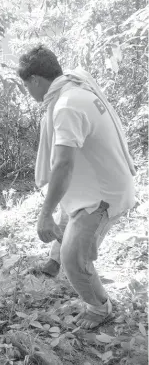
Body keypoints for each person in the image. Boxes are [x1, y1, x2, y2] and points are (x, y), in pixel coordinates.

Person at [18, 45, 136, 329]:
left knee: (74, 257)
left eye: (26, 86)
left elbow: (63, 166)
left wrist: (44, 214)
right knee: (65, 214)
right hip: (99, 184)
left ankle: (100, 308)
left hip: (102, 197)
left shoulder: (67, 105)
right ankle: (52, 263)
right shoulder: (77, 90)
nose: (28, 93)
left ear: (35, 80)